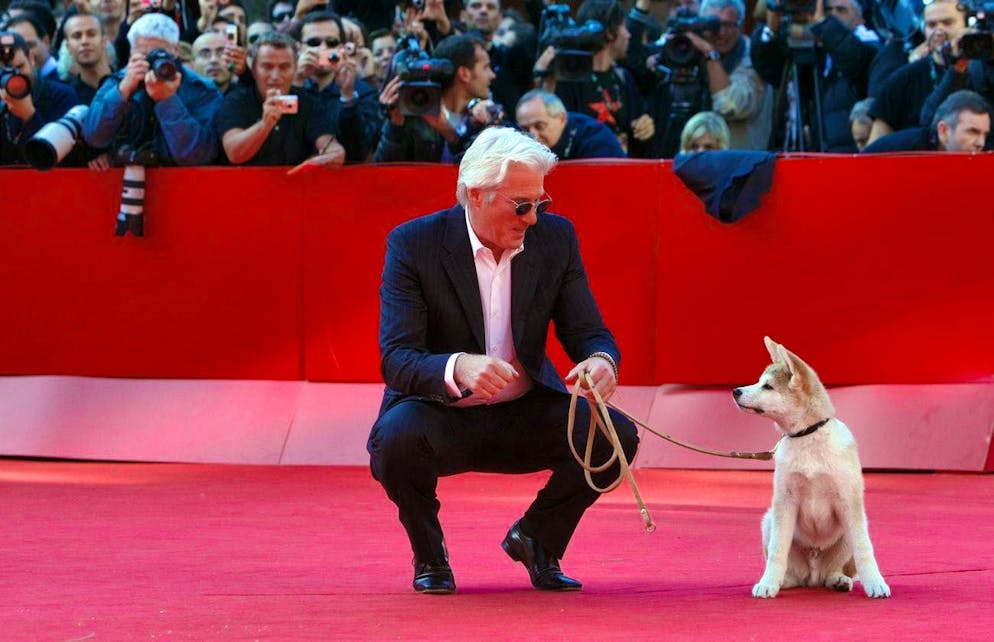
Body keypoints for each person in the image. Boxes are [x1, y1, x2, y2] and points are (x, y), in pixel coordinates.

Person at [367, 126, 639, 595]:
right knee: (394, 440)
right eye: (521, 205)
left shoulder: (555, 238)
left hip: (525, 413)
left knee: (616, 438)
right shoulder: (413, 243)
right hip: (440, 415)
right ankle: (430, 555)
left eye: (540, 204)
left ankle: (537, 539)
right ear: (476, 194)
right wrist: (458, 366)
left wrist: (601, 361)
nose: (532, 218)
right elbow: (397, 358)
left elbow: (589, 332)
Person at [82, 12, 222, 166]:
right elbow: (93, 136)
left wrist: (168, 101)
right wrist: (123, 90)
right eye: (143, 55)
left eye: (158, 54)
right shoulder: (117, 81)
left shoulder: (201, 89)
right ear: (131, 52)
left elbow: (198, 155)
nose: (151, 62)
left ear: (175, 50)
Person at [751, 0, 881, 152]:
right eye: (827, 11)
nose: (832, 16)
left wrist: (824, 25)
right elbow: (773, 72)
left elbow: (853, 59)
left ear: (860, 19)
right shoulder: (819, 52)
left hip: (852, 154)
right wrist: (771, 31)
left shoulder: (871, 46)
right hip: (820, 152)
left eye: (841, 10)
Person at [537, 0, 655, 157]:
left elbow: (638, 127)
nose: (629, 34)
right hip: (582, 168)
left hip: (622, 167)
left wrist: (646, 126)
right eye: (624, 26)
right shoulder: (569, 79)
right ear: (610, 33)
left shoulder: (623, 77)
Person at [217, 31, 344, 166]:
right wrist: (265, 124)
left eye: (284, 67)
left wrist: (329, 156)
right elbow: (234, 154)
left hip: (295, 178)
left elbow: (332, 148)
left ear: (295, 69)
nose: (275, 76)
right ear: (254, 69)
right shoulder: (236, 100)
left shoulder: (308, 102)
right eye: (267, 67)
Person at [374, 32, 502, 162]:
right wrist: (395, 126)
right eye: (486, 67)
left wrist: (448, 132)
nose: (492, 75)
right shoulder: (413, 114)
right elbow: (382, 169)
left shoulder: (483, 116)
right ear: (464, 74)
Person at [866, 0, 967, 145]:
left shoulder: (984, 70)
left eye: (947, 23)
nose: (939, 31)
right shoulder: (902, 79)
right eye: (931, 25)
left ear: (966, 25)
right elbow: (875, 148)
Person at [294, 10, 380, 162]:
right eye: (314, 43)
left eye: (331, 43)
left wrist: (347, 97)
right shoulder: (285, 86)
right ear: (299, 48)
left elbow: (361, 150)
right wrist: (296, 84)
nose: (323, 49)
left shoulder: (364, 92)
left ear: (341, 47)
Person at [0, 30, 80, 165]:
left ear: (31, 58)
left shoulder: (62, 95)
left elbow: (67, 160)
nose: (14, 77)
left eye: (19, 67)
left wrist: (30, 115)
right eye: (3, 72)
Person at [862, 89, 990, 152]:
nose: (981, 143)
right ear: (943, 131)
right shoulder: (907, 150)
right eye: (972, 132)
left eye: (985, 134)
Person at [515, 88, 626, 158]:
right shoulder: (517, 141)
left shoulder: (596, 140)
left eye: (539, 126)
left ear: (562, 118)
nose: (532, 136)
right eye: (525, 129)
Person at [60, 11, 114, 105]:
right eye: (77, 36)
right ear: (68, 47)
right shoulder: (68, 99)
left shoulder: (126, 83)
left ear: (104, 41)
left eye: (91, 34)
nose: (84, 41)